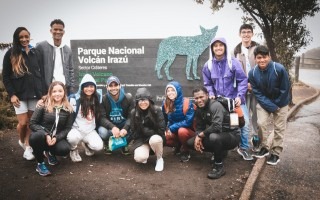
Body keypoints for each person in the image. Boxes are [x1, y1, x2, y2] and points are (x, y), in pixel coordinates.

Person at [202, 37, 253, 161]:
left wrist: (239, 96)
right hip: (218, 102)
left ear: (225, 47)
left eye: (221, 45)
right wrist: (211, 93)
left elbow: (242, 80)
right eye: (215, 46)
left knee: (243, 123)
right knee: (218, 125)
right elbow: (207, 82)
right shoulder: (208, 65)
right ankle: (219, 149)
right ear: (212, 48)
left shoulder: (233, 62)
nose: (218, 48)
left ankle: (244, 148)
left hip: (234, 100)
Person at [2, 27, 44, 160]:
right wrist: (12, 94)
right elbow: (6, 77)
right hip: (19, 95)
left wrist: (42, 93)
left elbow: (40, 74)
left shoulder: (35, 52)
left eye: (27, 36)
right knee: (23, 123)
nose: (24, 39)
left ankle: (27, 146)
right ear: (17, 38)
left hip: (34, 94)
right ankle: (21, 141)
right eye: (21, 37)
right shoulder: (10, 54)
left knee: (31, 122)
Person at [248, 45, 290, 165]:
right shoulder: (253, 73)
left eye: (264, 57)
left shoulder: (279, 69)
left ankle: (276, 153)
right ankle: (264, 147)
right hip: (264, 101)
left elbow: (285, 88)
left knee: (279, 128)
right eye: (259, 58)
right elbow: (257, 93)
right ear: (255, 59)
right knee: (261, 123)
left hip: (281, 102)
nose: (262, 60)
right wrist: (271, 106)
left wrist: (277, 104)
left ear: (269, 57)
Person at [187, 87, 241, 179]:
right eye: (196, 98)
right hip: (219, 135)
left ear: (207, 95)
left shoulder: (215, 106)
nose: (199, 100)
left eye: (201, 97)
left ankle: (219, 166)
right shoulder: (199, 109)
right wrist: (197, 137)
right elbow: (200, 127)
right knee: (190, 143)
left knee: (214, 137)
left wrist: (201, 135)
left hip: (232, 135)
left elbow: (216, 127)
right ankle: (220, 152)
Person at [29, 81, 73, 176]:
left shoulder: (68, 109)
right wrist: (46, 134)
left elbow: (67, 128)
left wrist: (57, 137)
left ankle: (50, 153)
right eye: (54, 91)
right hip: (42, 136)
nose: (57, 94)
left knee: (64, 149)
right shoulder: (43, 105)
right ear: (50, 93)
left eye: (60, 91)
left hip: (55, 138)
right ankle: (40, 163)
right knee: (35, 137)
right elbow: (32, 123)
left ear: (64, 92)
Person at [234, 24, 260, 152]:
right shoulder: (236, 50)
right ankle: (243, 144)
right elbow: (234, 72)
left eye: (248, 32)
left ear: (252, 34)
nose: (246, 34)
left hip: (257, 89)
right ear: (240, 34)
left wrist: (254, 84)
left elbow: (263, 66)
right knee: (244, 118)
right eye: (243, 32)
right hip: (242, 90)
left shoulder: (258, 48)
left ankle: (256, 143)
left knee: (256, 117)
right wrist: (244, 85)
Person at [67, 74, 103, 162]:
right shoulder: (74, 98)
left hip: (90, 131)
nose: (89, 89)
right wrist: (44, 100)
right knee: (72, 138)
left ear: (94, 87)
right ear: (82, 87)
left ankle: (86, 144)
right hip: (76, 129)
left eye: (91, 86)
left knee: (98, 146)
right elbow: (61, 101)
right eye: (86, 86)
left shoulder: (98, 98)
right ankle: (73, 149)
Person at [130, 87, 166, 172]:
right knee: (139, 158)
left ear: (149, 100)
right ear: (137, 102)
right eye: (140, 100)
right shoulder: (133, 112)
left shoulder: (156, 110)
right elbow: (133, 132)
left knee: (155, 139)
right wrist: (141, 131)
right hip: (142, 140)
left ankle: (159, 159)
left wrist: (149, 132)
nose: (143, 102)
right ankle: (146, 152)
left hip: (155, 137)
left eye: (145, 99)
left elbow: (161, 129)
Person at [36, 19, 75, 95]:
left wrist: (71, 88)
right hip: (48, 90)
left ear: (63, 32)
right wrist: (41, 92)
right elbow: (36, 70)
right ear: (51, 31)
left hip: (64, 89)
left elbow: (71, 70)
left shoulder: (67, 50)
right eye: (55, 29)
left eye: (60, 30)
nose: (58, 32)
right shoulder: (41, 46)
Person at [98, 76, 133, 155]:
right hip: (110, 127)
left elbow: (131, 117)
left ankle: (124, 144)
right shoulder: (103, 99)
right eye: (111, 86)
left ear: (120, 86)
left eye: (115, 85)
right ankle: (107, 143)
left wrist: (125, 128)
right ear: (107, 87)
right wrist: (112, 127)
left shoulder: (128, 98)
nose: (113, 88)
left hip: (123, 125)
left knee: (135, 127)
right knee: (102, 132)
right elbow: (102, 118)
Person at [162, 81, 196, 162]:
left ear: (178, 90)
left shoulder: (187, 102)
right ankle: (178, 145)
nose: (170, 93)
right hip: (174, 130)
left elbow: (188, 122)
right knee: (164, 137)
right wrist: (164, 130)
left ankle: (186, 151)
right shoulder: (165, 103)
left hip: (188, 131)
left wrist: (172, 128)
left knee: (182, 131)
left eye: (173, 90)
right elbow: (164, 119)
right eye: (168, 91)